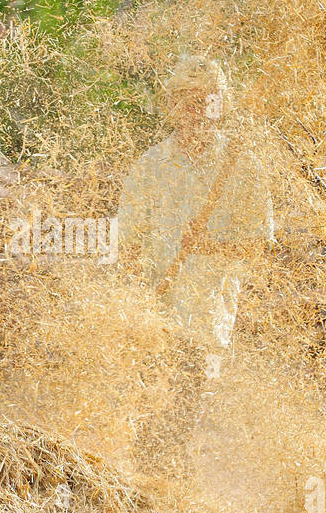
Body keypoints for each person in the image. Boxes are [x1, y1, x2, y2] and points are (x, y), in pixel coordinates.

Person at [116, 56, 274, 474]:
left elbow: (261, 246)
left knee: (183, 417)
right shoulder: (150, 166)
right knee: (149, 420)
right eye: (188, 100)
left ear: (222, 105)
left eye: (208, 100)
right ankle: (152, 502)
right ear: (170, 106)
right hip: (156, 315)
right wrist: (133, 305)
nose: (198, 109)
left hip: (208, 319)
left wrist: (211, 244)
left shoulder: (243, 167)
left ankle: (169, 498)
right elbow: (127, 245)